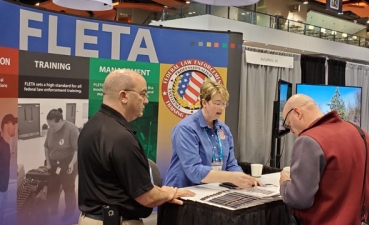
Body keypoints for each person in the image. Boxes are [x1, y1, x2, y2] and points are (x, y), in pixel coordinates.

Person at [78, 69, 195, 225]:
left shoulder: (91, 126)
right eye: (143, 94)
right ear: (123, 96)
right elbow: (147, 197)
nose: (146, 100)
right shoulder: (121, 137)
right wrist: (170, 193)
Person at [279, 94, 369, 225]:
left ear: (297, 112)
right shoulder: (361, 133)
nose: (292, 132)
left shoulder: (308, 140)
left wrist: (285, 185)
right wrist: (353, 208)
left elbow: (300, 198)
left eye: (289, 124)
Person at [164, 81, 259, 188]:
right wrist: (231, 177)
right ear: (204, 103)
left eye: (224, 103)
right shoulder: (186, 129)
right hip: (182, 192)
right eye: (217, 103)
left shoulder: (224, 129)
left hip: (211, 190)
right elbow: (194, 170)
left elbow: (231, 164)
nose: (222, 108)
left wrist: (245, 179)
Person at [44, 108, 79, 221]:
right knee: (53, 187)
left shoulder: (71, 129)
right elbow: (46, 147)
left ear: (60, 121)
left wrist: (71, 164)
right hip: (53, 163)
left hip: (67, 163)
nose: (51, 129)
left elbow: (78, 149)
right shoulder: (51, 130)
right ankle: (53, 209)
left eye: (53, 126)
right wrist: (48, 163)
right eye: (49, 126)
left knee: (68, 189)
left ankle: (69, 213)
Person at [0, 114, 17, 225]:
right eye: (13, 123)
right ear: (6, 125)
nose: (15, 126)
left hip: (4, 187)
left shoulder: (6, 145)